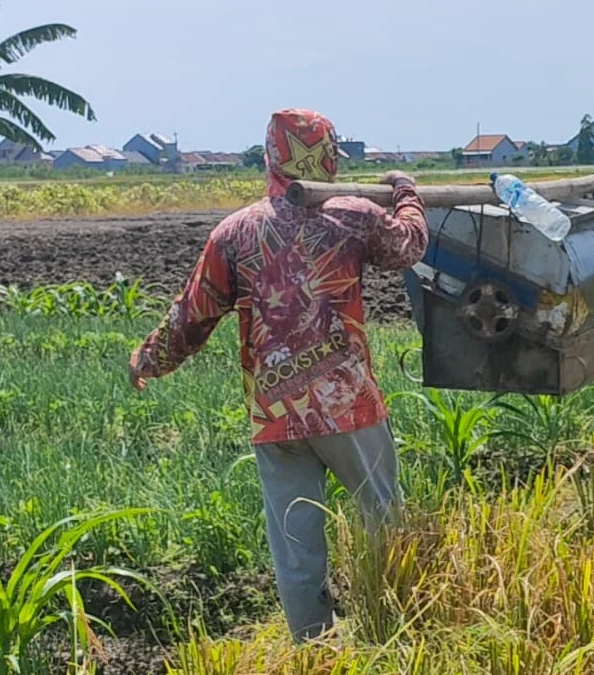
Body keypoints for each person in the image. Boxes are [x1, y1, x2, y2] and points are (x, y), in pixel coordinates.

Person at [128, 108, 429, 642]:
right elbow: (408, 246)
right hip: (347, 404)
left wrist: (150, 358)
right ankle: (396, 636)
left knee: (295, 544)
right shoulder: (354, 215)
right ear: (329, 155)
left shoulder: (235, 232)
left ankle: (313, 650)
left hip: (276, 411)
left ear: (271, 156)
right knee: (383, 520)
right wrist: (405, 191)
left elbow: (193, 316)